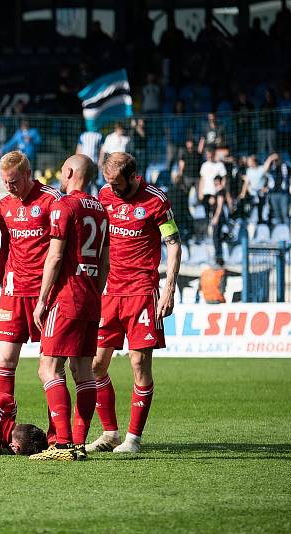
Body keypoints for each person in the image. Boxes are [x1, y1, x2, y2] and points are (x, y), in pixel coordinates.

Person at [88, 152, 182, 453]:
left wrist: (168, 290)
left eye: (117, 183)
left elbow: (174, 244)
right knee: (96, 365)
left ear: (133, 176)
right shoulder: (104, 195)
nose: (112, 189)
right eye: (108, 183)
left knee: (139, 362)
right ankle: (110, 433)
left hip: (142, 292)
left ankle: (133, 438)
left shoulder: (156, 200)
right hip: (109, 293)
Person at [30, 155, 108, 462]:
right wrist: (94, 290)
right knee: (83, 370)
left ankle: (61, 444)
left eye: (63, 170)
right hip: (91, 297)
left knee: (48, 368)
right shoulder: (101, 210)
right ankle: (78, 443)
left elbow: (55, 257)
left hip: (66, 298)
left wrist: (41, 300)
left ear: (70, 172)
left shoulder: (64, 206)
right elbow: (104, 262)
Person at [0, 151, 62, 402]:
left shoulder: (52, 200)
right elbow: (5, 250)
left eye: (13, 181)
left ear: (28, 174)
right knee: (4, 361)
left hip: (45, 294)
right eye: (4, 181)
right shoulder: (5, 205)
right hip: (13, 292)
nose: (8, 187)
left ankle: (57, 435)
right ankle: (2, 430)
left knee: (50, 370)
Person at [245, 154, 278, 225]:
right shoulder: (248, 171)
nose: (248, 163)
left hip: (262, 194)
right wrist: (246, 192)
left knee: (263, 210)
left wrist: (270, 158)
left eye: (250, 161)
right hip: (253, 194)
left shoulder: (261, 169)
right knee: (253, 212)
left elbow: (269, 179)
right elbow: (247, 183)